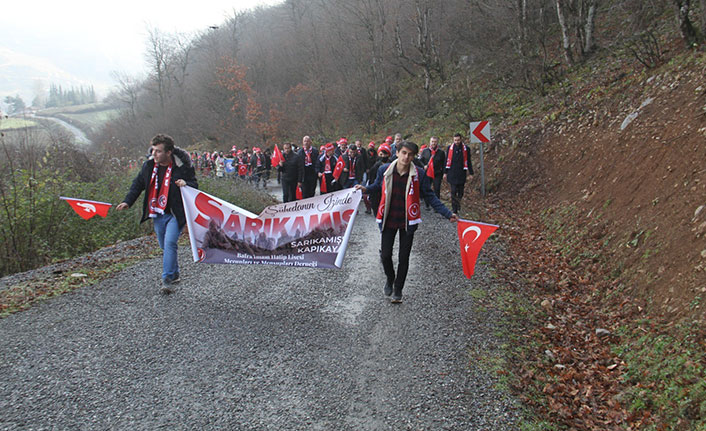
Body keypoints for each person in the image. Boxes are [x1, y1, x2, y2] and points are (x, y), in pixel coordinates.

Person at [357, 141, 457, 303]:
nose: (406, 157)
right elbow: (377, 185)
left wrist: (447, 213)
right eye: (404, 153)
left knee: (404, 257)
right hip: (389, 217)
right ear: (397, 153)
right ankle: (390, 278)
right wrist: (365, 189)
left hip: (407, 221)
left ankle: (398, 289)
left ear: (413, 156)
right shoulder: (384, 170)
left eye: (410, 154)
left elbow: (429, 195)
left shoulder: (419, 174)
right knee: (386, 255)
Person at [116, 134, 198, 294]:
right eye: (153, 150)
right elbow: (137, 184)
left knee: (170, 243)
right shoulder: (148, 166)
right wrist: (127, 202)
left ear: (169, 153)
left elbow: (194, 184)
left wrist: (186, 184)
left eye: (158, 151)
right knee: (163, 245)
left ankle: (167, 279)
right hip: (157, 212)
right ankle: (174, 274)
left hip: (176, 213)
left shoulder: (182, 167)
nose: (154, 154)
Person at [444, 133, 473, 214]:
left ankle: (458, 202)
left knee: (461, 192)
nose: (457, 142)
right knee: (453, 191)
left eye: (458, 140)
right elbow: (446, 161)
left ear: (461, 140)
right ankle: (454, 209)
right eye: (455, 140)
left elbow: (469, 161)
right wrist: (445, 172)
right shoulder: (450, 148)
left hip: (461, 173)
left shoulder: (466, 149)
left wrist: (471, 173)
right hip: (452, 173)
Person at [364, 143, 391, 215]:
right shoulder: (375, 166)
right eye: (381, 154)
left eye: (385, 154)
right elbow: (371, 180)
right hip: (377, 190)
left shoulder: (392, 165)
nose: (383, 156)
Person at [420, 136, 446, 209]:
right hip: (427, 173)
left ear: (437, 142)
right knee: (426, 188)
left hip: (437, 173)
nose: (433, 143)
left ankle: (436, 206)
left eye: (435, 142)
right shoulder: (425, 151)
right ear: (430, 142)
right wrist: (424, 166)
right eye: (432, 142)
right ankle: (427, 204)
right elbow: (420, 161)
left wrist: (444, 172)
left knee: (437, 189)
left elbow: (444, 163)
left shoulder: (441, 152)